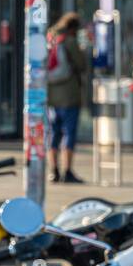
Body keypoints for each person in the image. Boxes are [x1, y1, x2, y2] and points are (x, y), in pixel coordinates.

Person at [47, 12, 88, 183]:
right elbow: (82, 65)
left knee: (53, 134)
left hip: (51, 96)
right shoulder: (70, 41)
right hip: (69, 95)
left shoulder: (51, 39)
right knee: (69, 133)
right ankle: (67, 171)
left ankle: (53, 171)